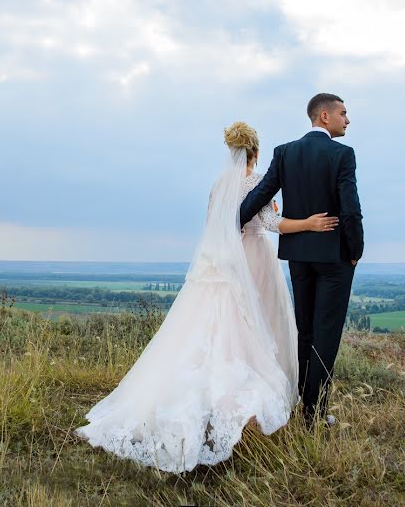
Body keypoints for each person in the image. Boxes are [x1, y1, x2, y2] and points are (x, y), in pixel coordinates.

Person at [74, 122, 338, 473]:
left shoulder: (218, 185)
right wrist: (309, 223)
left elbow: (216, 225)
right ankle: (244, 407)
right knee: (255, 326)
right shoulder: (254, 182)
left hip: (223, 261)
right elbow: (270, 224)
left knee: (214, 329)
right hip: (253, 260)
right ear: (256, 153)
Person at [240, 93, 364, 428]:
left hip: (298, 257)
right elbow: (350, 208)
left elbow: (261, 193)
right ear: (324, 116)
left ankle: (301, 403)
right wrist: (355, 251)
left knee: (305, 330)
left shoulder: (285, 153)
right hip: (335, 258)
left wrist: (233, 219)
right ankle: (314, 413)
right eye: (343, 113)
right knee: (326, 334)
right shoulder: (342, 154)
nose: (347, 120)